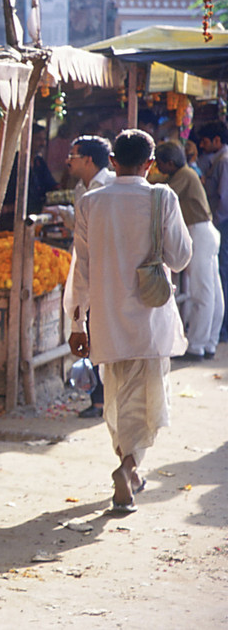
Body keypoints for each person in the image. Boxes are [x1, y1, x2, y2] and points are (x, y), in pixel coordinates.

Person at [68, 129, 192, 513]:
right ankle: (129, 466)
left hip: (105, 319)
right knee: (146, 396)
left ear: (113, 162)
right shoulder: (162, 196)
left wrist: (76, 323)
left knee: (118, 397)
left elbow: (81, 270)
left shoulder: (91, 203)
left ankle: (130, 468)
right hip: (149, 316)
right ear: (150, 164)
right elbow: (181, 257)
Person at [53, 135, 114, 418]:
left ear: (88, 159)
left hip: (110, 272)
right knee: (90, 330)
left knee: (107, 335)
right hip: (88, 268)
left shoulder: (112, 186)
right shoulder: (82, 189)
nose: (68, 160)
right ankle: (99, 400)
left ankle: (108, 399)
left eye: (73, 155)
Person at [154, 141, 223, 360]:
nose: (158, 168)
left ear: (170, 163)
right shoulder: (184, 173)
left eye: (159, 164)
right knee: (212, 291)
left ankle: (197, 346)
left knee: (202, 293)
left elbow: (162, 196)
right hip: (204, 231)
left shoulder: (184, 175)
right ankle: (209, 342)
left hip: (199, 232)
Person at [196, 121, 228, 342]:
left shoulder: (223, 162)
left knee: (222, 275)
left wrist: (214, 224)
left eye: (206, 142)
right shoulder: (219, 160)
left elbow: (224, 200)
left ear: (217, 140)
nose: (203, 146)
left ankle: (223, 329)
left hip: (223, 224)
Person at [0, 124, 58, 231]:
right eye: (39, 139)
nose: (42, 143)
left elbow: (51, 186)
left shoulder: (39, 163)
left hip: (33, 217)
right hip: (11, 218)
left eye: (44, 140)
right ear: (28, 139)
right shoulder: (15, 162)